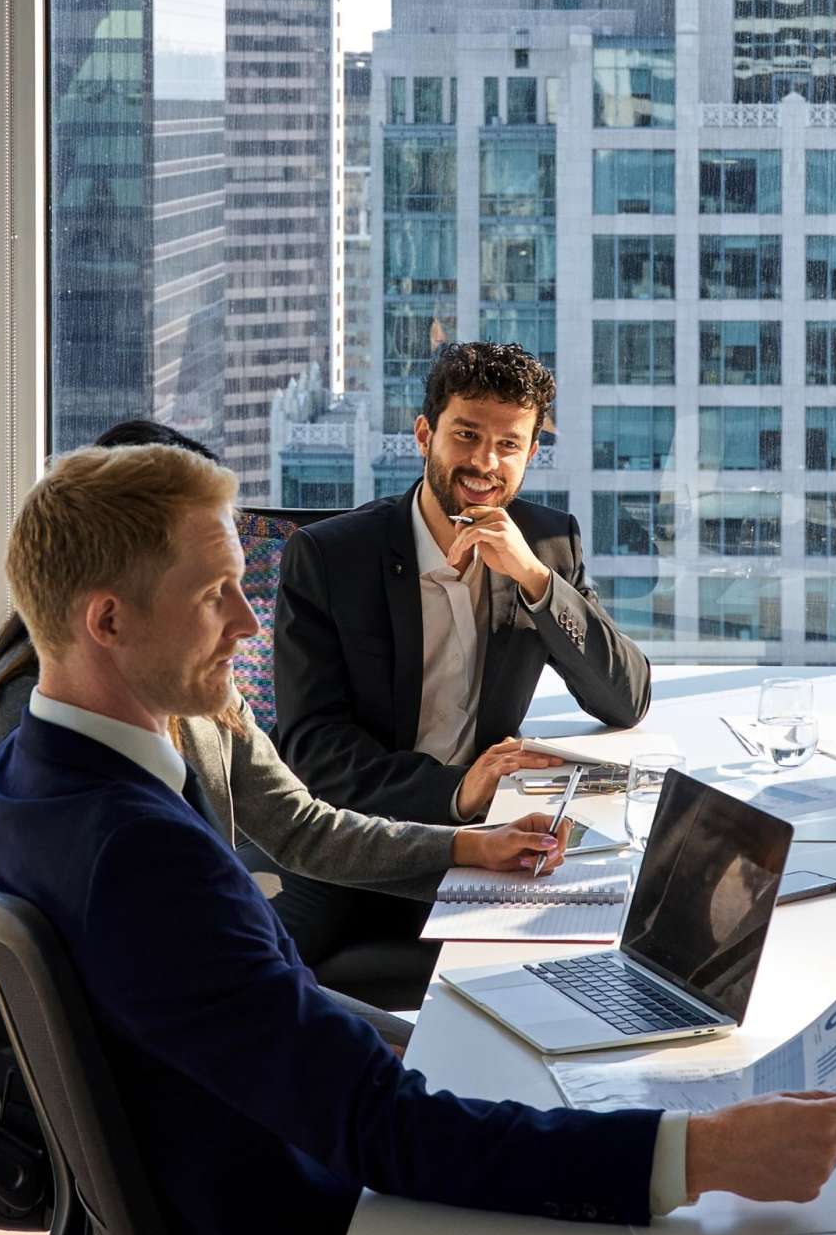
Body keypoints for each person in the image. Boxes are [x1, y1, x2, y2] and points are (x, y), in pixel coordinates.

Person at [0, 441, 836, 1235]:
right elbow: (380, 1130)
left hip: (216, 1197)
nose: (247, 620)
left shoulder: (24, 774)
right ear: (107, 620)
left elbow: (275, 1020)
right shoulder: (143, 859)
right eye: (213, 595)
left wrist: (442, 1042)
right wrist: (706, 1154)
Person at [0, 418, 570, 1019]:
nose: (248, 623)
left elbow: (296, 824)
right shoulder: (61, 754)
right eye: (208, 590)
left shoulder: (190, 683)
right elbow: (174, 1005)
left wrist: (471, 847)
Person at [271, 341, 654, 988]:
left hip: (486, 838)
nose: (484, 461)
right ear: (426, 434)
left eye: (508, 444)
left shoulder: (548, 543)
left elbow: (625, 697)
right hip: (360, 838)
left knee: (592, 951)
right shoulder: (330, 558)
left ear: (532, 453)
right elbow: (314, 750)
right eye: (467, 435)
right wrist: (454, 792)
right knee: (267, 978)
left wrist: (534, 580)